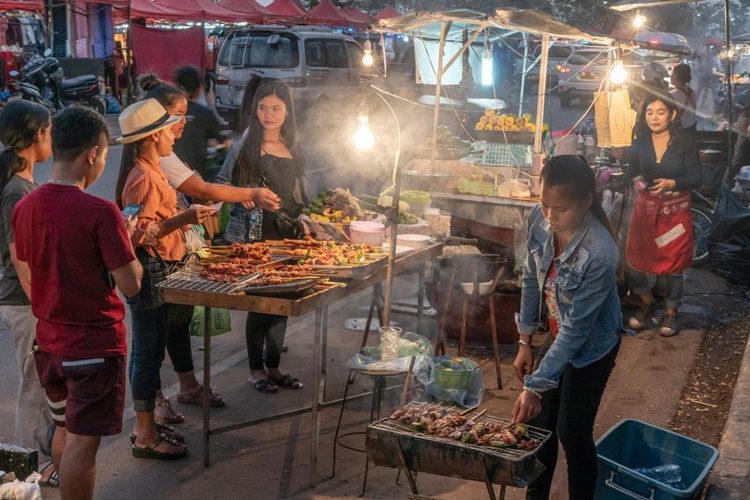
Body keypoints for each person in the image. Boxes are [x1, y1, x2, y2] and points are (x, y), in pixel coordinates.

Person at [12, 106, 142, 500]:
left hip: (49, 343)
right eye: (104, 155)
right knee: (84, 447)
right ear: (92, 154)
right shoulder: (100, 212)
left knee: (65, 431)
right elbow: (131, 284)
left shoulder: (25, 206)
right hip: (91, 348)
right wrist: (128, 242)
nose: (103, 162)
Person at [137, 79, 281, 424]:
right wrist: (250, 194)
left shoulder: (163, 154)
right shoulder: (147, 167)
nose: (183, 126)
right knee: (150, 343)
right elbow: (195, 191)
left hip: (175, 254)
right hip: (156, 262)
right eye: (177, 118)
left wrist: (196, 215)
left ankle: (186, 385)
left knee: (175, 323)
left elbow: (194, 193)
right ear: (156, 126)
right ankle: (148, 414)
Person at [512, 155, 622, 500]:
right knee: (538, 428)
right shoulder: (540, 219)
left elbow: (576, 331)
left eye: (560, 209)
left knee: (572, 433)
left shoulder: (600, 253)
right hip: (559, 332)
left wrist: (533, 387)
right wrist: (525, 340)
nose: (549, 216)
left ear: (587, 201)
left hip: (592, 345)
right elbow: (531, 277)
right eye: (545, 205)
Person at [115, 98, 214, 459]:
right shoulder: (142, 177)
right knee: (147, 354)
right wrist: (186, 218)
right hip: (152, 271)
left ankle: (148, 427)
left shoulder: (152, 169)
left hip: (165, 268)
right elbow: (138, 235)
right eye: (169, 128)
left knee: (151, 351)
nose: (174, 132)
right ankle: (143, 434)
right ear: (153, 136)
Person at [217, 80, 306, 393]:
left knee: (281, 301)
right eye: (263, 107)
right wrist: (241, 194)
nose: (269, 114)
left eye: (276, 108)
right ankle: (255, 370)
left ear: (286, 112)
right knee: (259, 303)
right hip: (253, 234)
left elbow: (298, 193)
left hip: (286, 234)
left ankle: (274, 366)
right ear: (255, 110)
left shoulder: (293, 144)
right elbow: (221, 183)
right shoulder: (246, 143)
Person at [0, 100, 55, 478]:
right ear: (37, 135)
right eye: (49, 131)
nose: (51, 139)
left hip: (28, 303)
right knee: (34, 391)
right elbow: (21, 261)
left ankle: (39, 465)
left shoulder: (24, 184)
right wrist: (45, 310)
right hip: (25, 304)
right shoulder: (18, 191)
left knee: (42, 387)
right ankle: (22, 475)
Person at [625, 93, 701, 336]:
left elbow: (696, 178)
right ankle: (647, 303)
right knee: (633, 259)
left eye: (660, 112)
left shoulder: (685, 142)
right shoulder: (640, 141)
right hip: (646, 211)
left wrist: (673, 183)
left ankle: (671, 313)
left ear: (672, 114)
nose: (654, 117)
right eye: (649, 112)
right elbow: (633, 174)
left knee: (673, 263)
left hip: (675, 214)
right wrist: (641, 186)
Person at [173, 65, 230, 181]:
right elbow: (226, 143)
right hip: (196, 176)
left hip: (170, 173)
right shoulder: (204, 113)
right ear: (199, 88)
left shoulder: (167, 112)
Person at [670, 63, 698, 136]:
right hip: (692, 130)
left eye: (672, 73)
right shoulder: (692, 92)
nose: (670, 75)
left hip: (680, 133)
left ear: (676, 75)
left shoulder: (672, 95)